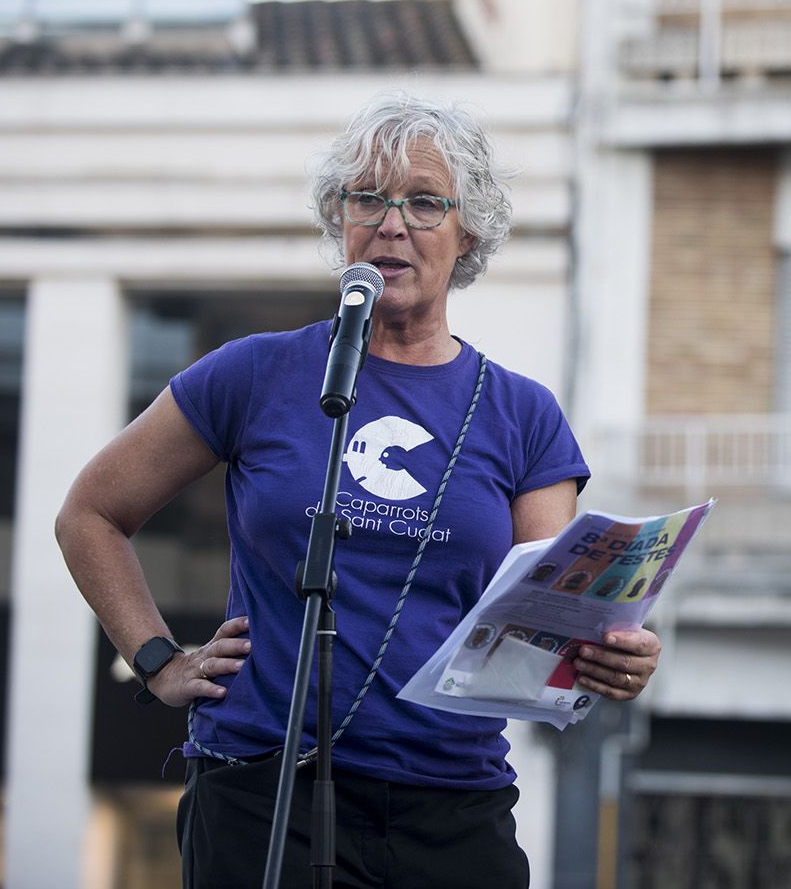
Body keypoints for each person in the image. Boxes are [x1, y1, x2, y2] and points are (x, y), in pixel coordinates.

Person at [55, 91, 661, 889]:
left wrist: (613, 656)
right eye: (367, 197)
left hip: (451, 804)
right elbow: (90, 515)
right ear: (338, 218)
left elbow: (548, 614)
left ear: (466, 230)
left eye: (422, 201)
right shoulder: (256, 373)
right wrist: (159, 659)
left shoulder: (521, 415)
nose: (391, 221)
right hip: (261, 789)